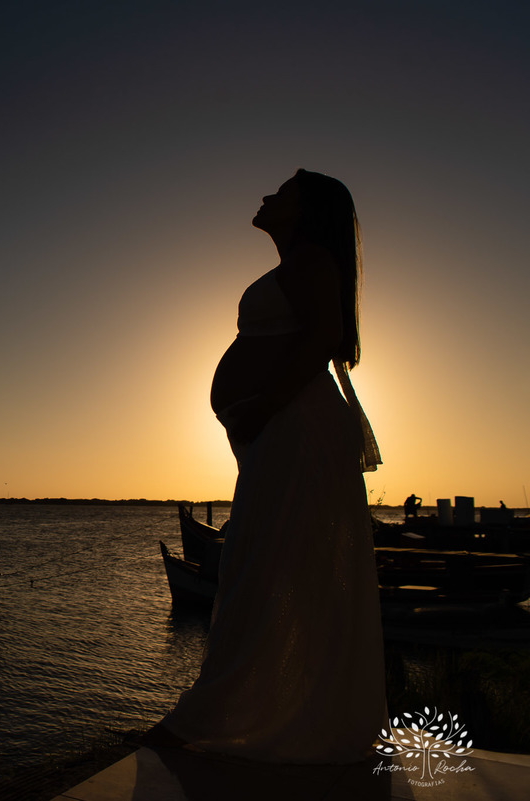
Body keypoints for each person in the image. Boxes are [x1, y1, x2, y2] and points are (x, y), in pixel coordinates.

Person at [144, 170, 386, 763]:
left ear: (306, 209)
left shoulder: (312, 263)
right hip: (282, 428)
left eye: (282, 191)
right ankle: (263, 711)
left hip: (295, 426)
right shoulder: (298, 265)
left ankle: (206, 717)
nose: (265, 196)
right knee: (265, 560)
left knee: (263, 562)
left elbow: (322, 338)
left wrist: (266, 407)